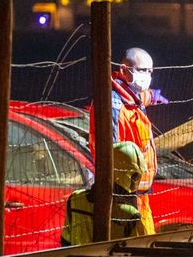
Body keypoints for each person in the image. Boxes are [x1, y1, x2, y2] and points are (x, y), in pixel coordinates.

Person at [90, 47, 158, 233]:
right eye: (142, 70)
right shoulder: (114, 105)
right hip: (124, 194)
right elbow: (112, 152)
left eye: (150, 71)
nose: (147, 76)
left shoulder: (131, 99)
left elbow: (140, 97)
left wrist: (152, 96)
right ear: (123, 69)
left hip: (140, 193)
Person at [61, 141, 151, 245]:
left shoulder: (75, 200)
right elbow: (142, 250)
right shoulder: (130, 215)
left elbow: (65, 241)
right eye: (135, 175)